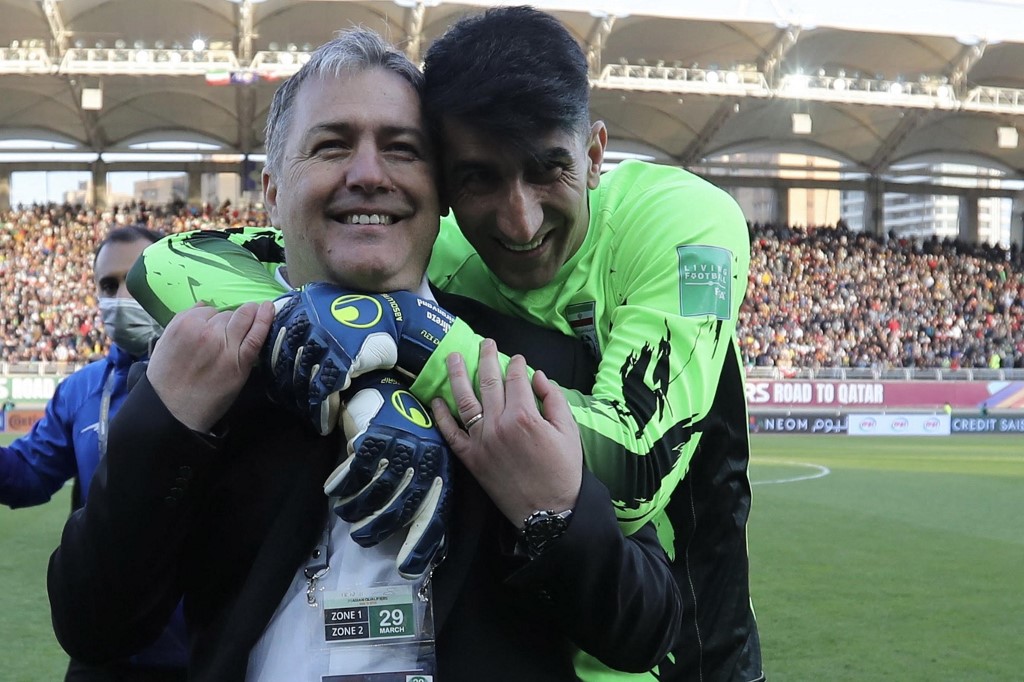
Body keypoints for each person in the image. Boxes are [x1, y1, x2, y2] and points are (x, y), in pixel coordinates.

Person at [127, 7, 763, 681]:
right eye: (479, 178)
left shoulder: (701, 232)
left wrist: (406, 336)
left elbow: (637, 471)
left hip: (693, 639)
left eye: (548, 168)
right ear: (446, 186)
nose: (519, 221)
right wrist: (356, 352)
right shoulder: (435, 246)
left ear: (596, 153)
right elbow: (170, 260)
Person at [2, 226, 188, 682]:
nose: (121, 295)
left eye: (138, 277)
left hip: (203, 651)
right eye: (108, 285)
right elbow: (28, 474)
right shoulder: (80, 390)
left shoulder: (227, 375)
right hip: (103, 651)